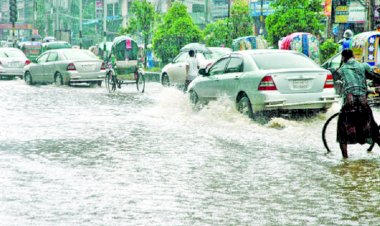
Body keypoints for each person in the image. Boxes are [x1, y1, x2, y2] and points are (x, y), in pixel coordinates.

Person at [336, 49, 380, 158]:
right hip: (363, 103)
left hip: (348, 105)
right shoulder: (363, 66)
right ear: (353, 56)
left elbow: (342, 85)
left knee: (342, 132)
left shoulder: (341, 69)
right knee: (373, 129)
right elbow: (375, 77)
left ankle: (345, 159)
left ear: (343, 58)